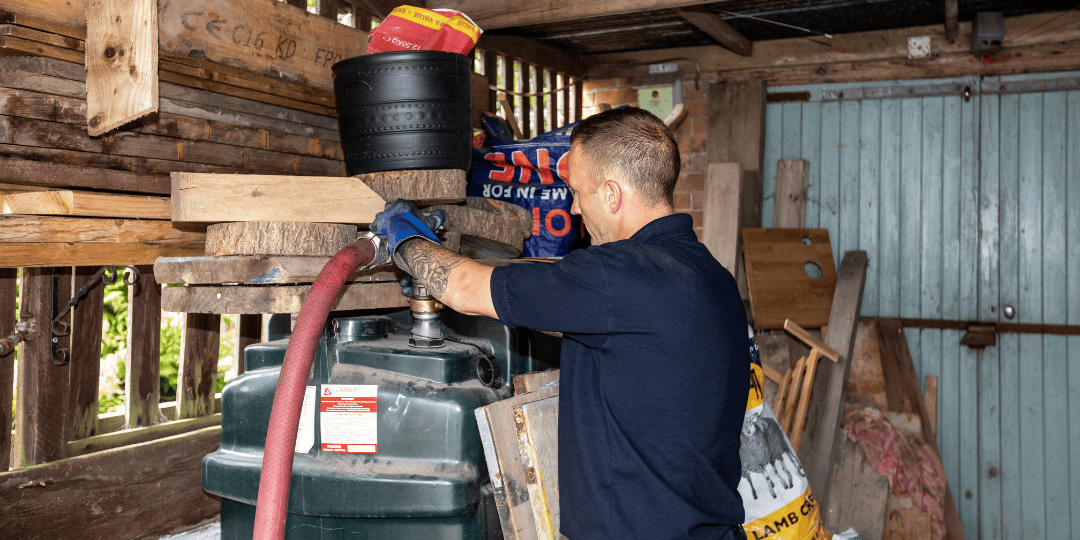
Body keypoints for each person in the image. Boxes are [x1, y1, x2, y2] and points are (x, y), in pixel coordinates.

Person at [373, 107, 749, 540]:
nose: (573, 206)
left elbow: (462, 289)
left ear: (612, 193)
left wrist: (405, 238)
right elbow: (582, 315)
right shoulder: (710, 277)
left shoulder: (616, 277)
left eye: (577, 191)